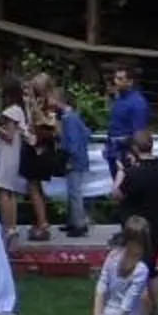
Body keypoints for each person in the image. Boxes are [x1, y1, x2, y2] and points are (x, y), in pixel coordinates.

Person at [0, 102, 34, 245]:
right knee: (10, 191)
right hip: (13, 154)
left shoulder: (12, 112)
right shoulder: (20, 110)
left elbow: (9, 136)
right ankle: (11, 227)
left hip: (7, 155)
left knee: (4, 191)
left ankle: (8, 226)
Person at [56, 85, 97, 243]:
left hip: (74, 160)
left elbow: (72, 141)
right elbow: (87, 133)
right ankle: (73, 221)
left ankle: (79, 224)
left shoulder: (69, 118)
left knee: (75, 193)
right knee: (72, 191)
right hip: (79, 157)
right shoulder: (74, 116)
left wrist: (71, 157)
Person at [105, 65, 150, 184]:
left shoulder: (137, 103)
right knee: (118, 187)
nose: (116, 82)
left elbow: (139, 132)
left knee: (127, 187)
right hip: (113, 150)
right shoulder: (119, 100)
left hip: (127, 151)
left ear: (130, 82)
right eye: (116, 78)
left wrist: (132, 152)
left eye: (120, 79)